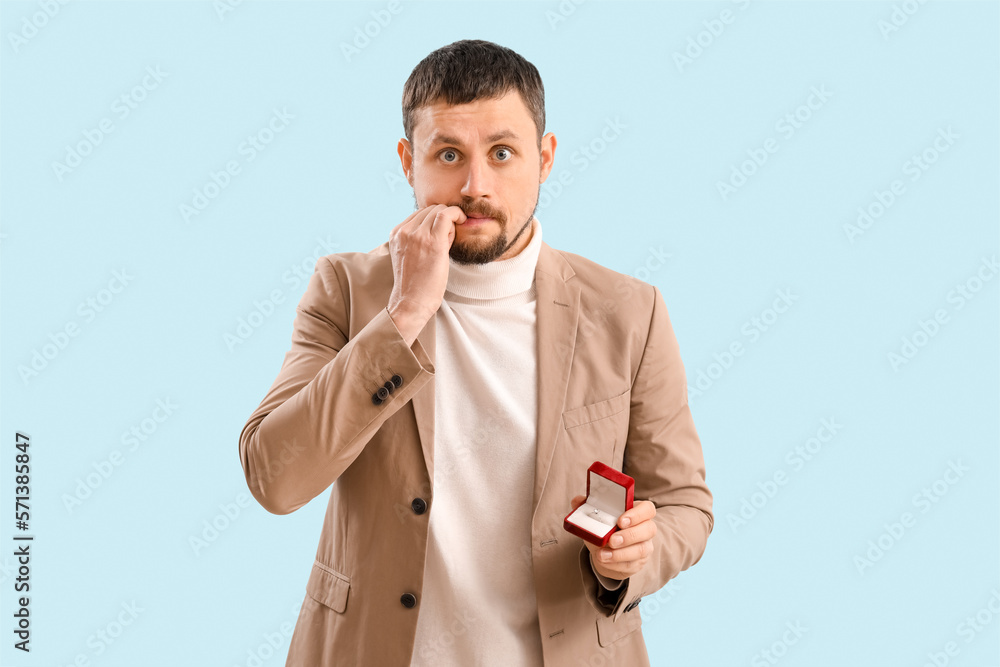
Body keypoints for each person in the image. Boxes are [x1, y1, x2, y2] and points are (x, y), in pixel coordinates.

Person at [239, 38, 713, 667]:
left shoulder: (629, 311)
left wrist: (634, 555)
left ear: (544, 158)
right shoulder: (347, 289)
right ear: (409, 162)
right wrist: (402, 313)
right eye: (448, 154)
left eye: (502, 153)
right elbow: (275, 476)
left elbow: (683, 502)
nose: (474, 185)